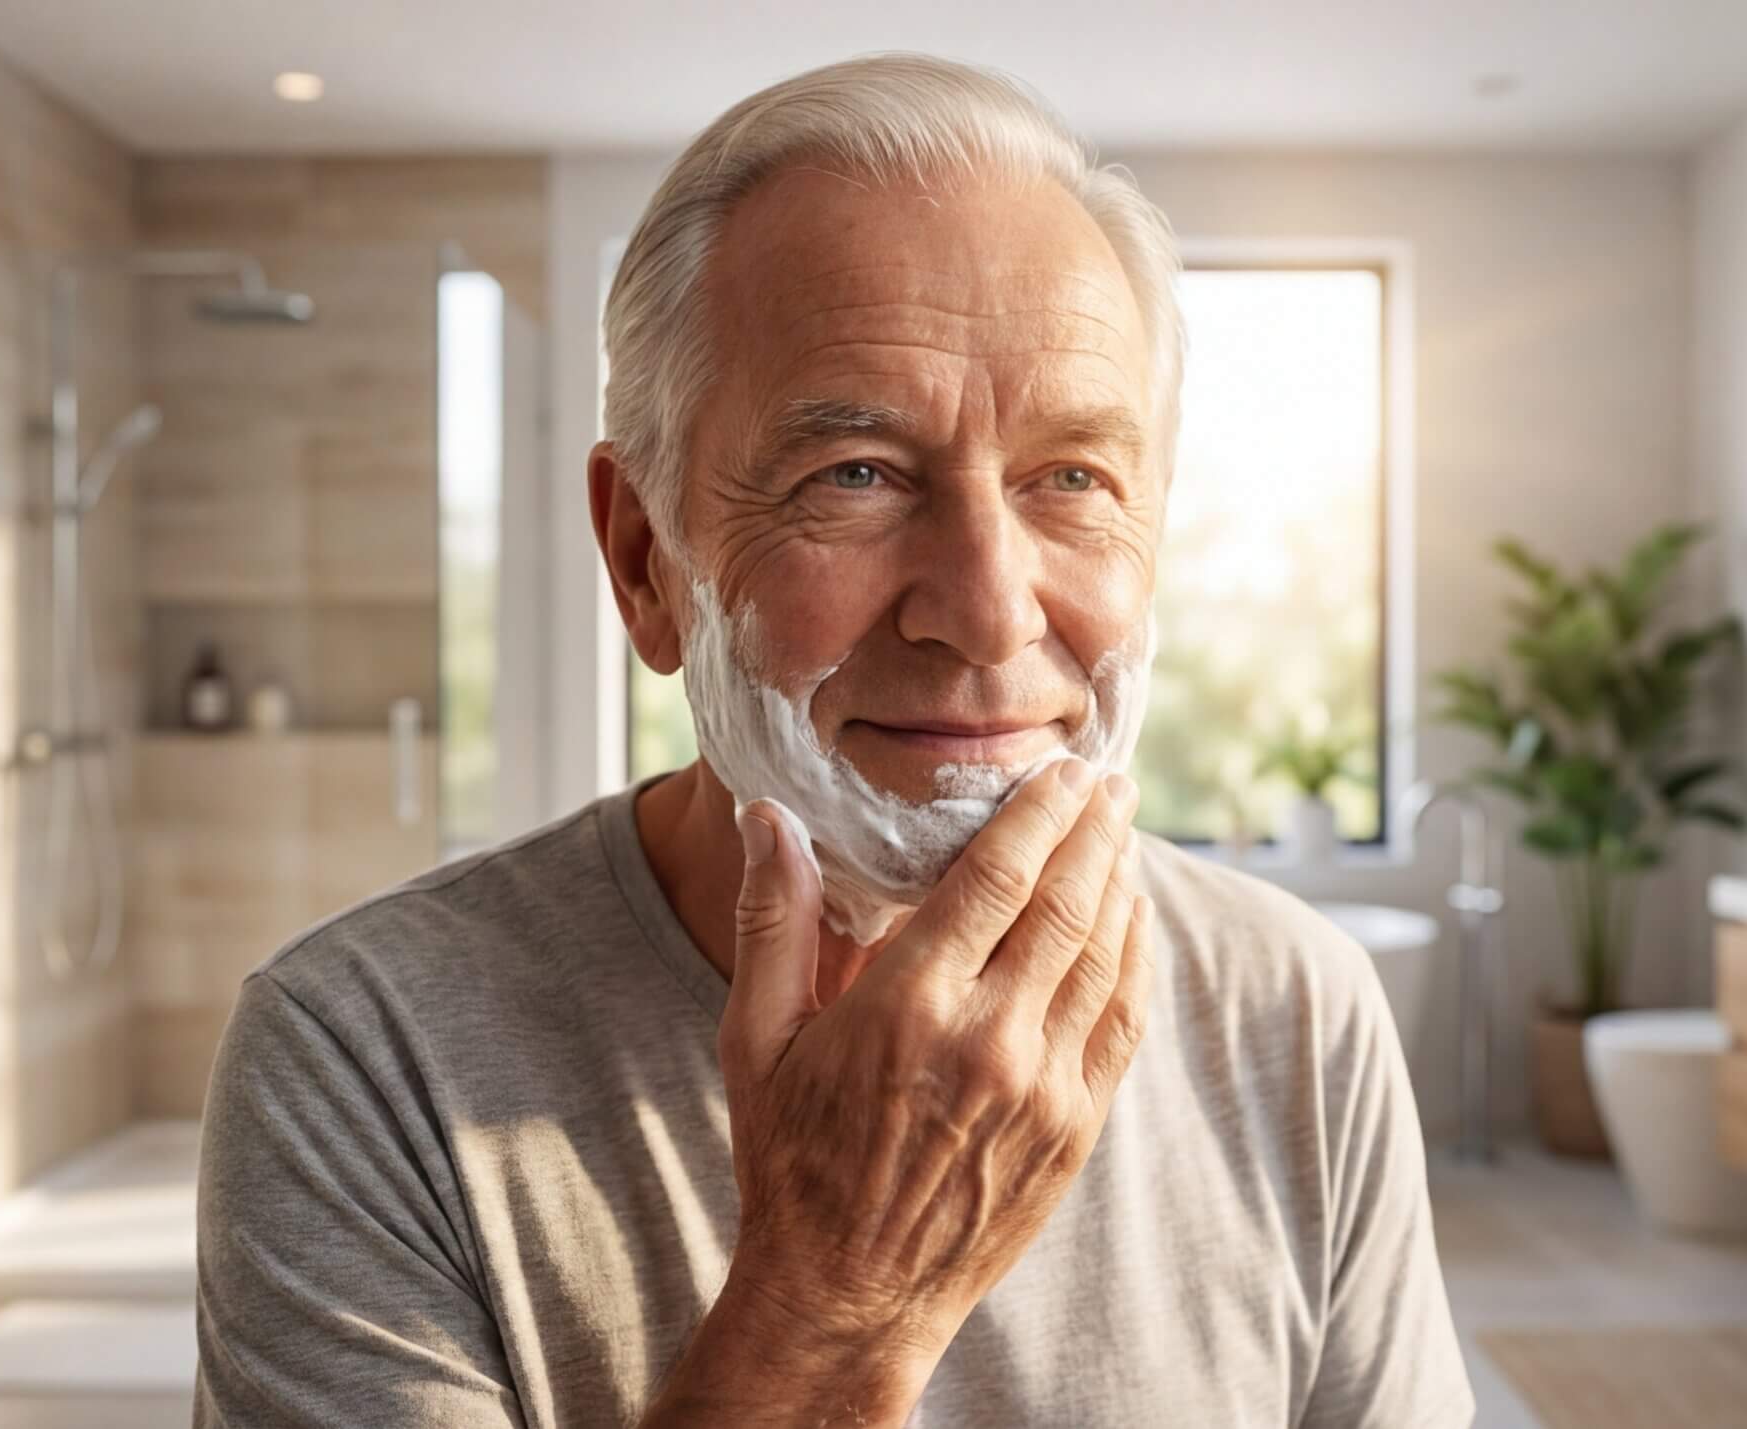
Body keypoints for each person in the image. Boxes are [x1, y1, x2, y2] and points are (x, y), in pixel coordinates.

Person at [193, 50, 1471, 1429]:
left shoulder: (1296, 1011)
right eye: (853, 476)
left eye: (1073, 478)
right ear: (645, 561)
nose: (987, 614)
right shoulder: (362, 1058)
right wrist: (835, 1304)